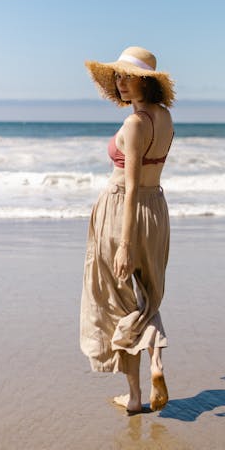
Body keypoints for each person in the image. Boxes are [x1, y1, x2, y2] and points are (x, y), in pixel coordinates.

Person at [80, 46, 175, 415]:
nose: (120, 83)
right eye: (117, 76)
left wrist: (125, 244)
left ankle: (135, 397)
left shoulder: (135, 124)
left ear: (145, 81)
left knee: (119, 303)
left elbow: (131, 185)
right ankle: (156, 363)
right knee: (148, 296)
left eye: (127, 76)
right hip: (156, 210)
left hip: (124, 210)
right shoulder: (164, 117)